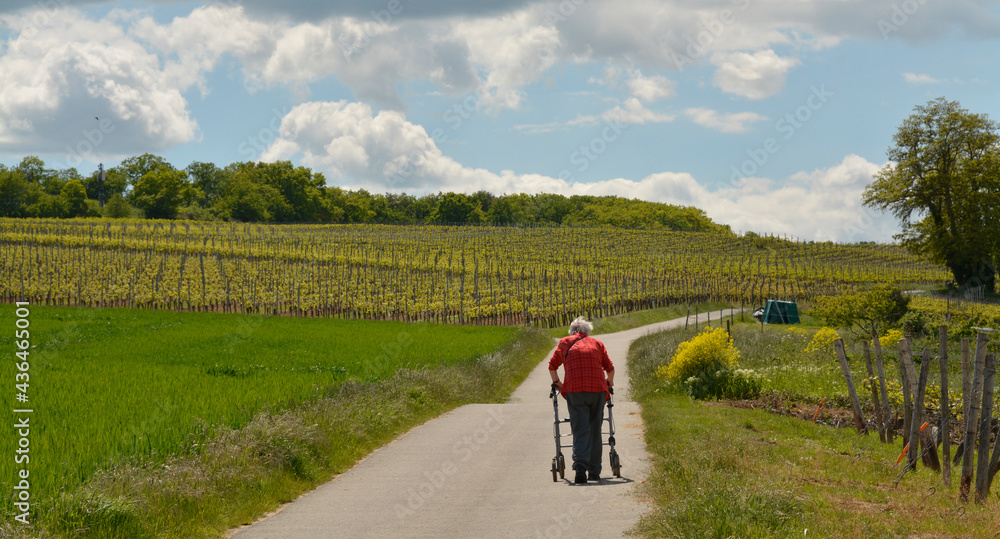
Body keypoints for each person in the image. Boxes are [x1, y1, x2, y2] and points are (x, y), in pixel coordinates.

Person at [548, 316, 614, 483]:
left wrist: (558, 384)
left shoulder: (564, 343)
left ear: (572, 332)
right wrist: (609, 383)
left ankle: (580, 467)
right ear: (587, 332)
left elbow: (552, 366)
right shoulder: (597, 344)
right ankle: (594, 471)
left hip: (575, 391)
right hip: (598, 390)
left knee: (580, 429)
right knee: (595, 429)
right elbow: (610, 368)